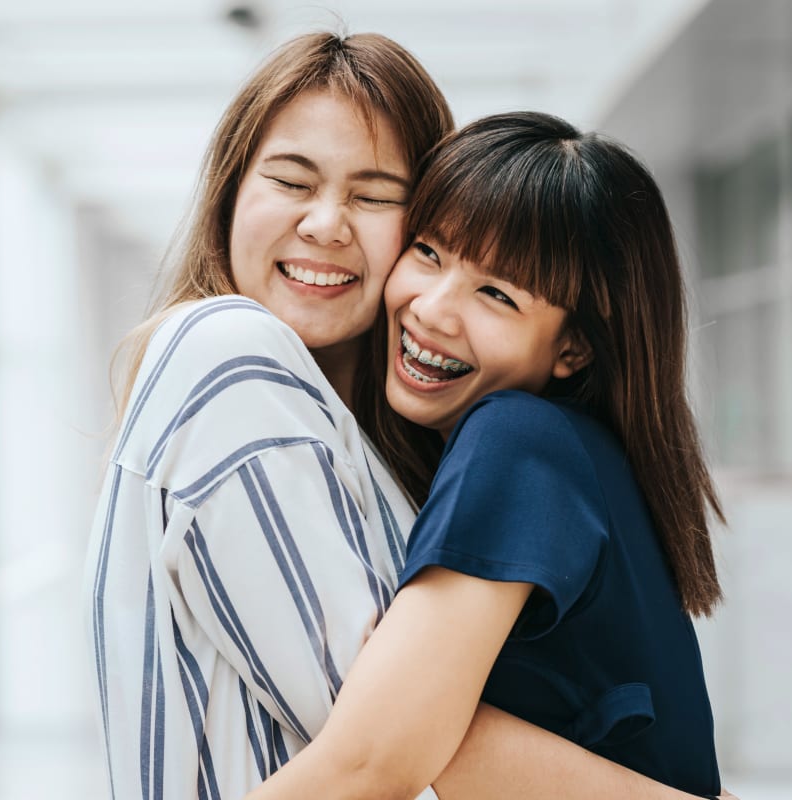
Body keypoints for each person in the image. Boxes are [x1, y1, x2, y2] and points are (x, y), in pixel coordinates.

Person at [83, 31, 722, 800]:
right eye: (291, 180)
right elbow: (383, 743)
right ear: (230, 191)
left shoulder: (507, 441)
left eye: (375, 195)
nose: (325, 224)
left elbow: (388, 744)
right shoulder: (234, 354)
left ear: (574, 350)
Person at [245, 112, 726, 800]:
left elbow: (368, 765)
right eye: (430, 253)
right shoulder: (583, 458)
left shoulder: (520, 441)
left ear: (574, 348)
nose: (433, 309)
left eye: (497, 294)